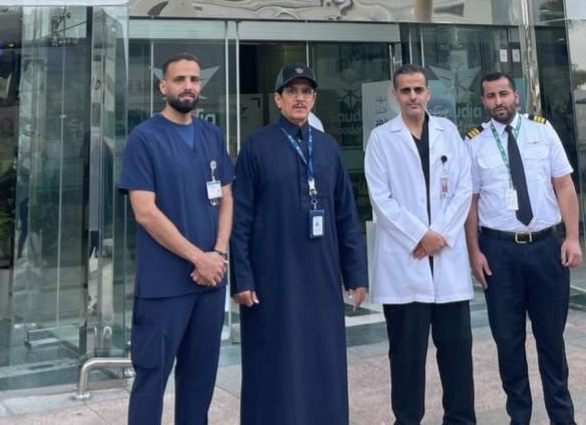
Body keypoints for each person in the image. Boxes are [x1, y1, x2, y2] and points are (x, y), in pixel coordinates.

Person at [230, 62, 368, 425]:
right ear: (277, 99)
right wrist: (242, 277)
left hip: (321, 275)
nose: (299, 98)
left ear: (314, 98)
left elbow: (346, 214)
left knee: (322, 357)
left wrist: (356, 273)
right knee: (274, 360)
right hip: (272, 277)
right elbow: (239, 218)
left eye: (306, 92)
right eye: (291, 91)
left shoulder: (327, 147)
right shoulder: (257, 147)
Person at [119, 53, 233, 425]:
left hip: (210, 283)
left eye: (194, 80)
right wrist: (198, 258)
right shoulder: (144, 138)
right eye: (180, 79)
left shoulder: (212, 135)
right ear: (163, 86)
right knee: (151, 378)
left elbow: (227, 198)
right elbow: (145, 211)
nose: (188, 86)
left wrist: (217, 253)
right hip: (165, 286)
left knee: (200, 380)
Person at [465, 72, 582, 425]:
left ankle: (562, 418)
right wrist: (474, 252)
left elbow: (564, 186)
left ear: (516, 95)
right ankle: (519, 417)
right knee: (508, 341)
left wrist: (572, 237)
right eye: (490, 96)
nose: (498, 101)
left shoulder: (542, 131)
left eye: (503, 94)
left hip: (546, 248)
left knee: (551, 339)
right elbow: (470, 203)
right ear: (483, 101)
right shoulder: (474, 142)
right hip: (499, 252)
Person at [365, 64, 476, 425]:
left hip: (445, 260)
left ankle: (460, 419)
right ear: (395, 95)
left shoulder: (449, 132)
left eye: (418, 89)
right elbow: (381, 198)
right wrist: (420, 236)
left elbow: (463, 188)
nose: (412, 96)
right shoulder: (381, 138)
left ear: (428, 93)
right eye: (405, 90)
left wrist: (438, 235)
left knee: (457, 353)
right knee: (407, 358)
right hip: (406, 263)